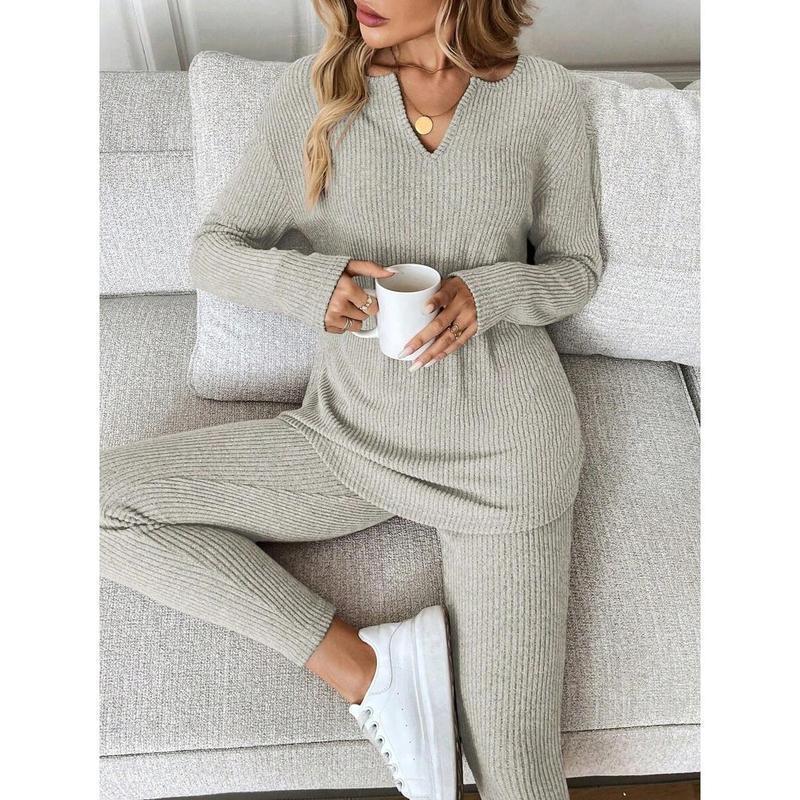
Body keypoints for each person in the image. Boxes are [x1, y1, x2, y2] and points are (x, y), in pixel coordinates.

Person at [99, 1, 603, 798]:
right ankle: (371, 668)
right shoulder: (320, 94)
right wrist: (310, 283)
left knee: (516, 767)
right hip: (348, 437)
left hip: (505, 458)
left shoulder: (543, 95)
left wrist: (490, 292)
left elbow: (576, 268)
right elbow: (213, 250)